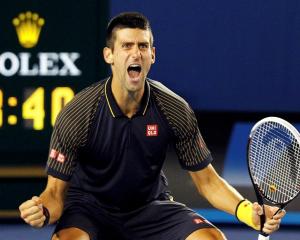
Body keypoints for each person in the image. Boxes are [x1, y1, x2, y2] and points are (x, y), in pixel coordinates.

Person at [19, 12, 285, 240]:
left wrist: (247, 212)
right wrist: (41, 211)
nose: (136, 53)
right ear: (109, 55)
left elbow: (208, 182)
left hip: (149, 208)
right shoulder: (78, 113)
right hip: (89, 209)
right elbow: (54, 194)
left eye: (143, 46)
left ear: (152, 55)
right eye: (126, 46)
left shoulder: (174, 108)